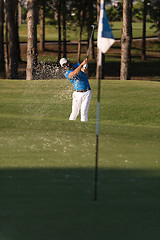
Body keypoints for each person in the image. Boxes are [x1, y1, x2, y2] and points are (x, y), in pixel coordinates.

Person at [60, 58, 92, 122]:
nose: (66, 65)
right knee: (74, 112)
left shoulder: (77, 65)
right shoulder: (67, 74)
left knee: (83, 112)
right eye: (64, 65)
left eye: (66, 63)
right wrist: (81, 65)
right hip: (77, 94)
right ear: (63, 67)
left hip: (87, 92)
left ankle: (83, 128)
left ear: (68, 62)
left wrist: (85, 66)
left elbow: (84, 71)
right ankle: (70, 127)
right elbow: (75, 73)